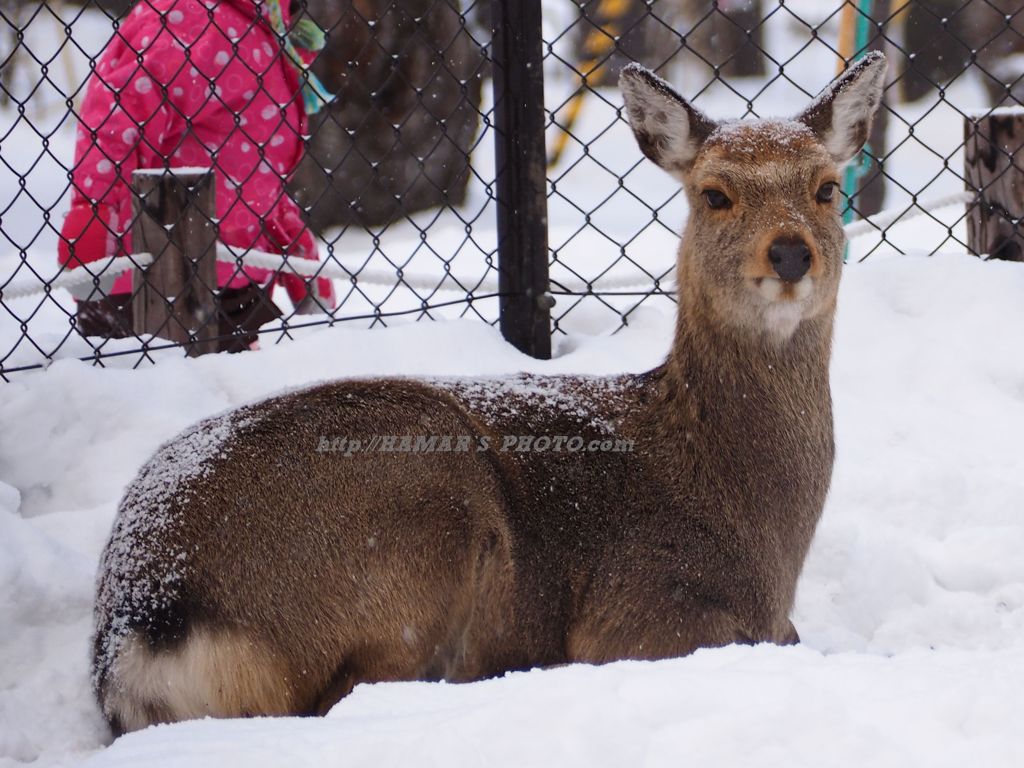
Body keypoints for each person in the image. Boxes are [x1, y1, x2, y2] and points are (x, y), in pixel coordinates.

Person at [59, 0, 336, 351]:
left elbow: (245, 150)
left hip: (236, 274)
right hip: (153, 283)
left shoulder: (256, 22)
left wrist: (282, 230)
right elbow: (118, 123)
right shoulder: (188, 16)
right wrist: (98, 217)